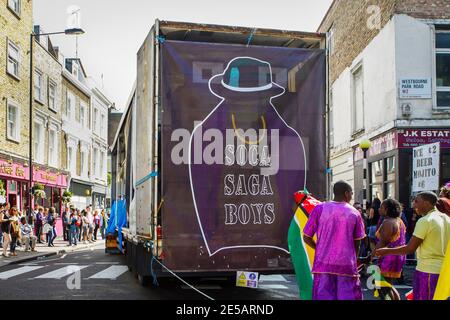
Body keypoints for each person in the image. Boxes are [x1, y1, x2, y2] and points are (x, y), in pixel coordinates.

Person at [376, 191, 450, 300]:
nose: (414, 205)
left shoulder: (425, 221)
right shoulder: (447, 219)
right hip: (443, 271)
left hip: (427, 271)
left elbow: (410, 248)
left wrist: (385, 251)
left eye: (416, 202)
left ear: (426, 203)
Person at [303, 181, 366, 300]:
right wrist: (354, 261)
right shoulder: (354, 213)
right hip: (346, 265)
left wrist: (319, 248)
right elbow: (357, 242)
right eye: (351, 193)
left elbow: (306, 237)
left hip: (323, 264)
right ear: (346, 193)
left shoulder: (319, 209)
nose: (352, 197)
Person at [370, 199, 406, 300]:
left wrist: (372, 256)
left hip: (389, 258)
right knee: (387, 285)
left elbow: (382, 242)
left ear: (387, 210)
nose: (379, 209)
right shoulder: (399, 221)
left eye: (381, 207)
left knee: (382, 285)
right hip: (397, 257)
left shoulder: (388, 222)